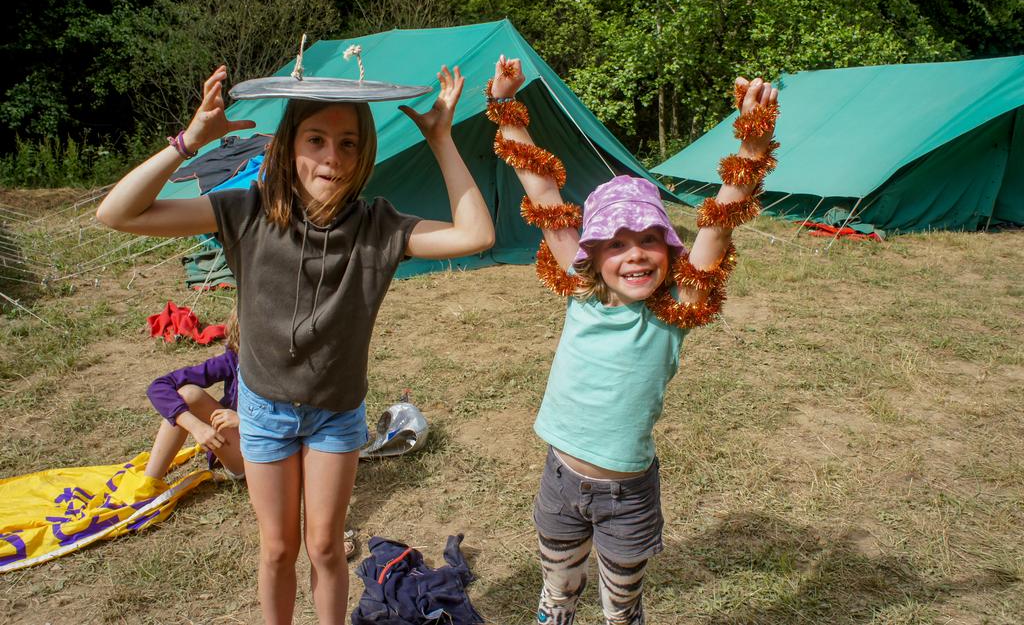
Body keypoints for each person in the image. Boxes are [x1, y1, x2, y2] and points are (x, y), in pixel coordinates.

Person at [96, 63, 494, 625]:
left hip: (336, 414)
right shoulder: (248, 212)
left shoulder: (379, 227)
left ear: (363, 154)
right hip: (262, 410)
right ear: (289, 146)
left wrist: (441, 139)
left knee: (326, 549)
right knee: (278, 549)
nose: (332, 157)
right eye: (316, 140)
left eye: (348, 143)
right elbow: (116, 213)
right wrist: (189, 142)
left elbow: (477, 235)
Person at [487, 56, 779, 625]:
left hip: (628, 497)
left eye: (650, 238)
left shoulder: (676, 311)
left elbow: (719, 221)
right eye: (616, 243)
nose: (635, 253)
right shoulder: (580, 291)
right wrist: (504, 108)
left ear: (671, 252)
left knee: (622, 610)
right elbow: (542, 187)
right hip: (559, 478)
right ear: (591, 254)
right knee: (557, 594)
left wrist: (751, 146)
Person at [143, 305, 244, 482]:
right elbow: (158, 387)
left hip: (266, 451)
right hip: (235, 448)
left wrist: (245, 421)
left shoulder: (290, 366)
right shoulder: (232, 360)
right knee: (188, 394)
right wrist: (196, 426)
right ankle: (149, 484)